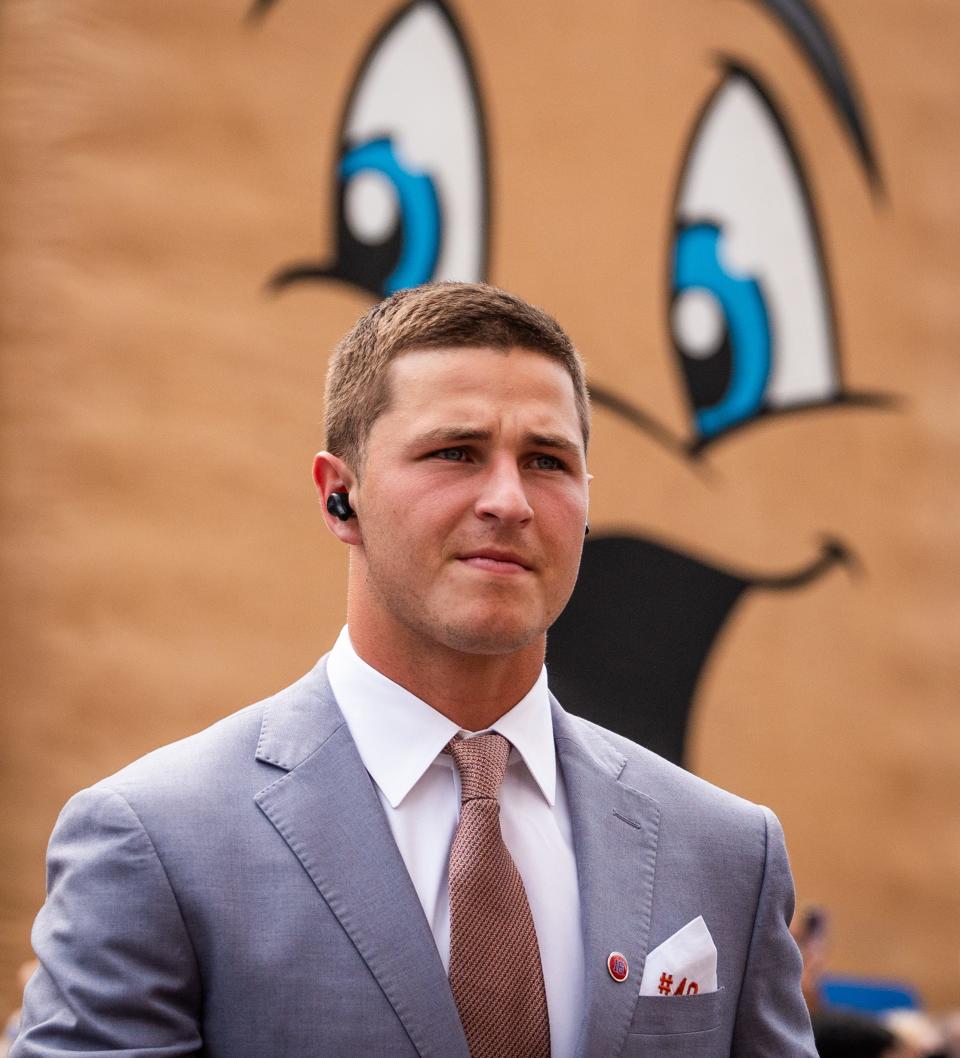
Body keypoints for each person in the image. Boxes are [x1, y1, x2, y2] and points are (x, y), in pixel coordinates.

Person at [13, 282, 816, 1056]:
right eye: (456, 452)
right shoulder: (158, 842)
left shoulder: (726, 853)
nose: (510, 500)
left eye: (547, 461)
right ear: (340, 496)